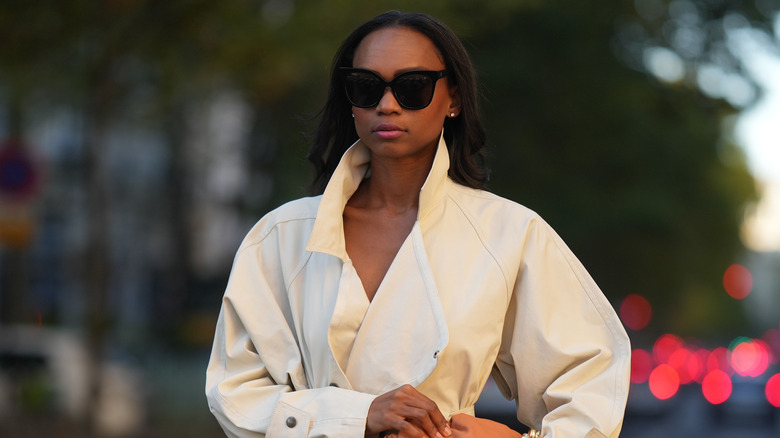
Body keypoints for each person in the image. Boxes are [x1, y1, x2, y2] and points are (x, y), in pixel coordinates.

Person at [206, 10, 631, 438]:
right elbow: (234, 393)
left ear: (454, 99)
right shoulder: (281, 237)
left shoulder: (509, 235)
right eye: (366, 87)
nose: (386, 105)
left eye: (412, 87)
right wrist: (357, 416)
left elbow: (591, 383)